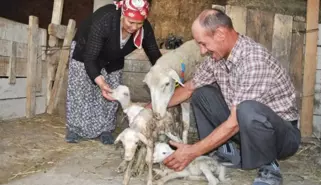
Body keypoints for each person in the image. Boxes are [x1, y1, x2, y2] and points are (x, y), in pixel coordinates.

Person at [146, 9, 301, 185]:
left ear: (220, 34)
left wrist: (193, 151)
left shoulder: (253, 61)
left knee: (247, 109)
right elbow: (189, 88)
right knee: (201, 93)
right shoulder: (217, 59)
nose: (202, 51)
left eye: (203, 44)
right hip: (246, 128)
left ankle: (269, 167)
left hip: (281, 137)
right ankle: (224, 151)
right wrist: (149, 108)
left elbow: (235, 122)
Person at [65, 0, 162, 145]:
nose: (134, 27)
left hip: (114, 56)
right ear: (123, 14)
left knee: (112, 91)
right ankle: (75, 129)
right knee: (81, 90)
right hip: (87, 51)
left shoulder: (144, 29)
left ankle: (105, 130)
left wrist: (166, 71)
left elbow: (154, 53)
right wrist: (100, 81)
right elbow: (90, 58)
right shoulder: (105, 20)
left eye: (139, 23)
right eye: (130, 22)